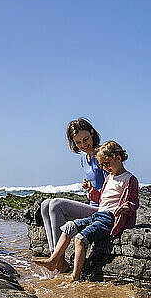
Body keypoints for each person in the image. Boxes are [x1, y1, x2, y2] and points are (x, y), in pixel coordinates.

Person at [33, 140, 139, 281]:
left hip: (110, 218)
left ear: (118, 158)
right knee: (69, 227)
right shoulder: (109, 178)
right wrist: (91, 191)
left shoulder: (129, 179)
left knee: (80, 239)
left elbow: (133, 201)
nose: (104, 168)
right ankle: (53, 260)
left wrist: (126, 208)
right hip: (98, 214)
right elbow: (102, 199)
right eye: (101, 165)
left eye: (106, 164)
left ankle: (75, 276)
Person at [41, 118, 106, 254]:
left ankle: (58, 257)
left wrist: (92, 191)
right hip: (92, 204)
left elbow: (110, 191)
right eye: (78, 142)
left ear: (92, 133)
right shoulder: (83, 157)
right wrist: (89, 189)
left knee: (56, 204)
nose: (83, 144)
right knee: (45, 204)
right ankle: (55, 254)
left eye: (85, 139)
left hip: (102, 210)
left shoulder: (102, 156)